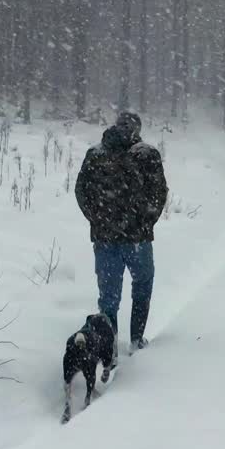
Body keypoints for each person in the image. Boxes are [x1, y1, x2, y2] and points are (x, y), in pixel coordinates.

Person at [74, 111, 168, 351]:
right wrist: (145, 223)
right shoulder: (148, 155)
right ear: (138, 128)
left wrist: (98, 220)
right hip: (138, 238)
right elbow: (159, 194)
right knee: (143, 284)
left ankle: (109, 347)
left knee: (108, 298)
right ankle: (137, 339)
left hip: (105, 239)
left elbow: (81, 191)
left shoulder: (96, 154)